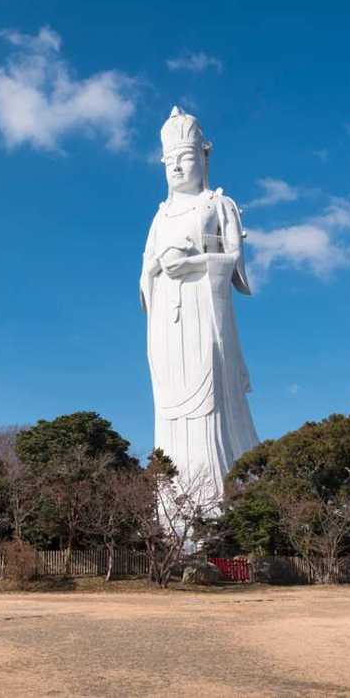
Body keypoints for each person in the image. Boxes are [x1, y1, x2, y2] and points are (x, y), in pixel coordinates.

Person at [140, 106, 260, 501]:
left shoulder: (218, 205)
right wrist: (159, 265)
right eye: (169, 161)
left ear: (203, 157)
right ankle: (171, 502)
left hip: (204, 312)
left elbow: (233, 262)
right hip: (168, 320)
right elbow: (145, 275)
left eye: (185, 158)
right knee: (171, 407)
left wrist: (193, 262)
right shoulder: (160, 217)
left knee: (211, 398)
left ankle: (221, 496)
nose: (177, 167)